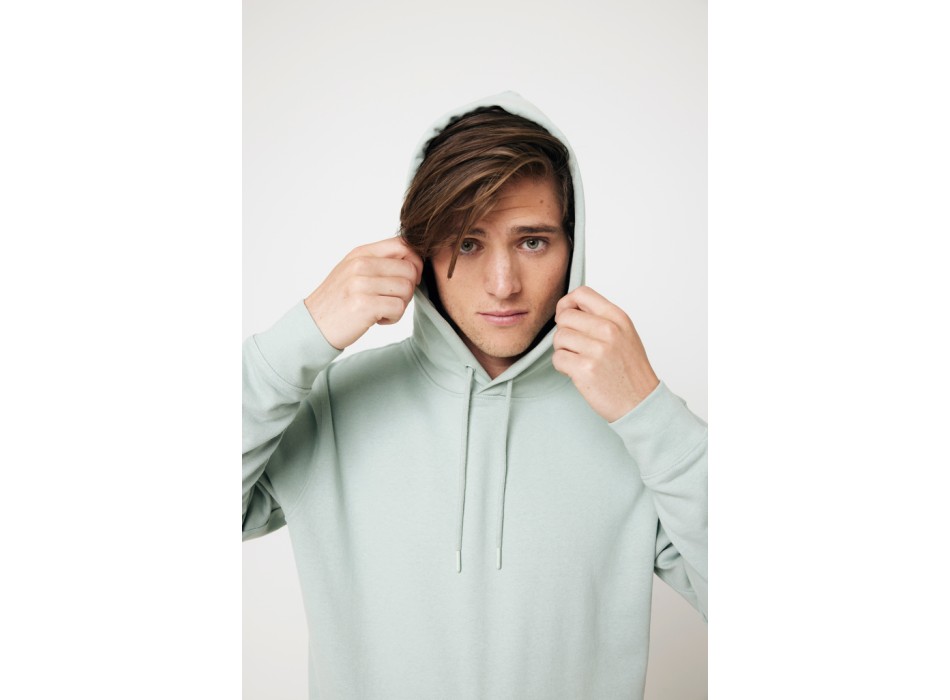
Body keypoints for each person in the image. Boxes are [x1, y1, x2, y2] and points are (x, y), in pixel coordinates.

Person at [243, 92, 707, 699]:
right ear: (419, 252)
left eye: (532, 242)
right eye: (467, 242)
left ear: (572, 247)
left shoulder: (632, 427)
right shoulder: (332, 404)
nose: (503, 284)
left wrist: (651, 413)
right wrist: (301, 335)